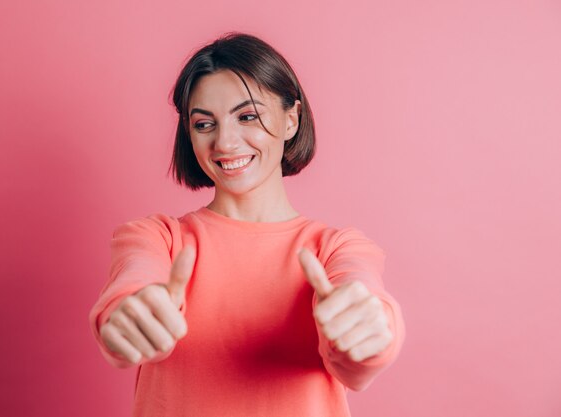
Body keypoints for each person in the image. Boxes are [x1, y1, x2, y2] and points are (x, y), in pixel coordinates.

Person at [89, 31, 405, 417]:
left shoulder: (338, 249)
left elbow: (363, 338)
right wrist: (130, 319)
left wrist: (366, 328)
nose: (225, 142)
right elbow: (128, 289)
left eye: (247, 116)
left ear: (291, 119)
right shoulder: (155, 238)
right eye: (204, 124)